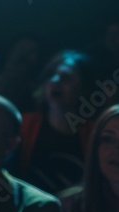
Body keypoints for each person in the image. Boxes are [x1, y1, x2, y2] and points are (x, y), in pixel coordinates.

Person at [15, 50, 98, 195]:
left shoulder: (95, 133)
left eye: (65, 77)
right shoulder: (23, 124)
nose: (55, 81)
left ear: (83, 88)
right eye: (51, 75)